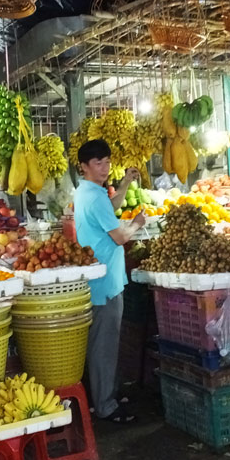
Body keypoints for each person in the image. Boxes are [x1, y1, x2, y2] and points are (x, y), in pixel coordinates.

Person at [73, 139, 145, 423]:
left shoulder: (89, 192)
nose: (104, 168)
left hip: (101, 280)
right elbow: (118, 236)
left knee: (104, 343)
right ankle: (105, 405)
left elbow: (109, 207)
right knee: (103, 346)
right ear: (84, 167)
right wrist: (137, 224)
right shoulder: (92, 196)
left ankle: (108, 395)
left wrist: (125, 182)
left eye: (107, 162)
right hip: (103, 283)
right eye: (98, 163)